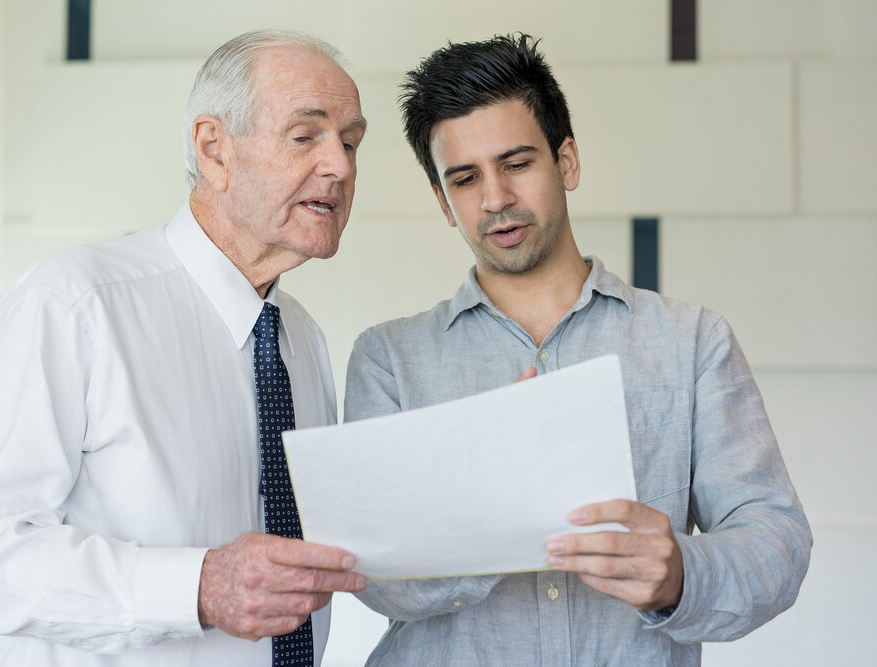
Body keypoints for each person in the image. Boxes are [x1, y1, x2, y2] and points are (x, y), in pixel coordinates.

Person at [344, 33, 810, 666]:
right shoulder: (388, 360)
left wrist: (682, 573)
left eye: (517, 163)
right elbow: (370, 571)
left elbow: (776, 538)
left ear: (567, 162)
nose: (495, 199)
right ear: (442, 202)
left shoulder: (692, 341)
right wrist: (493, 506)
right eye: (465, 178)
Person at [0, 30, 367, 666]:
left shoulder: (300, 338)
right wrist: (197, 587)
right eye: (306, 136)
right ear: (214, 148)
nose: (339, 165)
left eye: (351, 141)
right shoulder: (72, 304)